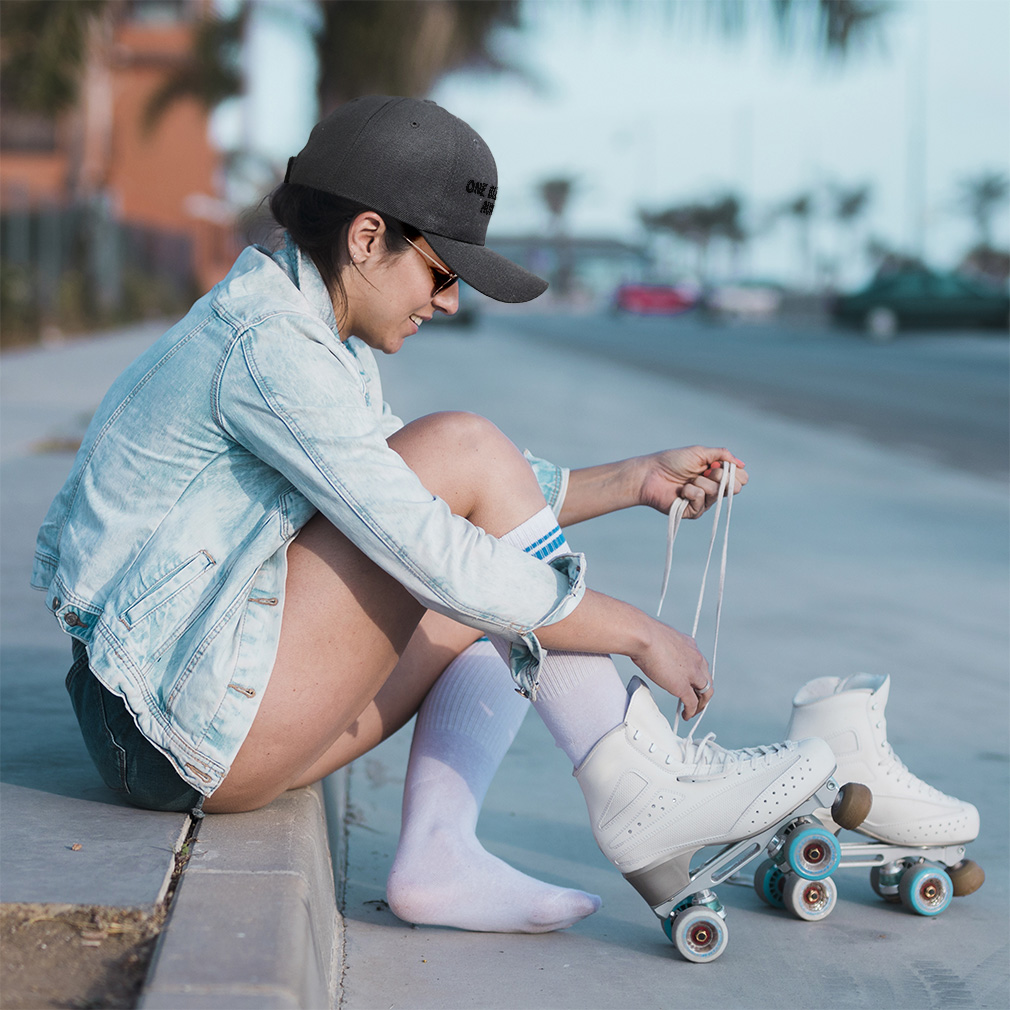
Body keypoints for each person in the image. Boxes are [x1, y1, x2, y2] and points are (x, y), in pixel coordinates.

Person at [34, 95, 837, 935]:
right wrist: (635, 632)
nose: (449, 303)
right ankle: (636, 785)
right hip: (166, 731)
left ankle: (441, 856)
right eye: (442, 273)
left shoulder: (310, 333)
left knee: (482, 538)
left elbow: (438, 502)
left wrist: (634, 479)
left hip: (173, 727)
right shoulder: (267, 347)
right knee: (464, 458)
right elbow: (433, 534)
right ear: (368, 237)